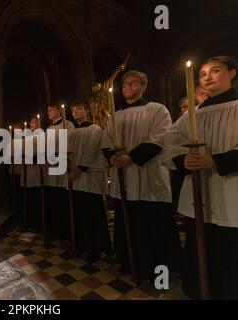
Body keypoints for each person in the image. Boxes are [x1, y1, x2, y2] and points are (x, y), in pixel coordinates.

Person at [164, 56, 238, 299]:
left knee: (230, 247)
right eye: (203, 73)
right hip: (201, 192)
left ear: (232, 73)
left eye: (215, 71)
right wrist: (183, 160)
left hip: (232, 190)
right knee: (201, 244)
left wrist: (215, 160)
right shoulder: (192, 115)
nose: (207, 76)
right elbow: (170, 142)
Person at [101, 70, 183, 282]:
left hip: (149, 176)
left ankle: (158, 269)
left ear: (144, 86)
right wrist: (111, 158)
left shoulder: (157, 109)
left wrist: (130, 158)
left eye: (133, 83)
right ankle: (129, 261)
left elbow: (159, 138)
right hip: (124, 177)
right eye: (125, 84)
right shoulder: (116, 114)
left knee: (151, 224)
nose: (127, 87)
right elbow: (107, 140)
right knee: (128, 220)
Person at [67, 100, 112, 260]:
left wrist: (79, 168)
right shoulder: (70, 132)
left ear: (87, 111)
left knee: (95, 212)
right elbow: (67, 152)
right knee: (81, 214)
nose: (75, 111)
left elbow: (92, 150)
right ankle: (83, 246)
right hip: (75, 176)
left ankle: (100, 247)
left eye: (79, 108)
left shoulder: (95, 129)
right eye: (73, 109)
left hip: (90, 175)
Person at [45, 103, 74, 240]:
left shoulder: (68, 124)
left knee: (63, 198)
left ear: (59, 110)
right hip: (51, 166)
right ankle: (56, 229)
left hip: (63, 165)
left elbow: (70, 143)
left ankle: (67, 231)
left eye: (51, 109)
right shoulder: (49, 128)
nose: (49, 112)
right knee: (54, 197)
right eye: (48, 110)